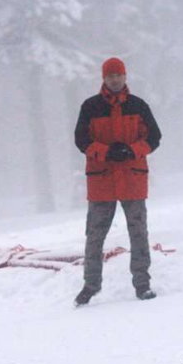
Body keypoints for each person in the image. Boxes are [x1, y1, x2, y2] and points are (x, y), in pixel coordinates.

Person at [73, 57, 162, 306]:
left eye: (118, 75)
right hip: (102, 182)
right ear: (103, 78)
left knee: (139, 234)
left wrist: (132, 151)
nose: (114, 79)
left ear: (125, 77)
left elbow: (154, 137)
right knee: (94, 236)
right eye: (110, 75)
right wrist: (106, 152)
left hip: (132, 178)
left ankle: (142, 284)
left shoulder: (139, 106)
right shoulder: (90, 107)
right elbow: (81, 140)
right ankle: (90, 286)